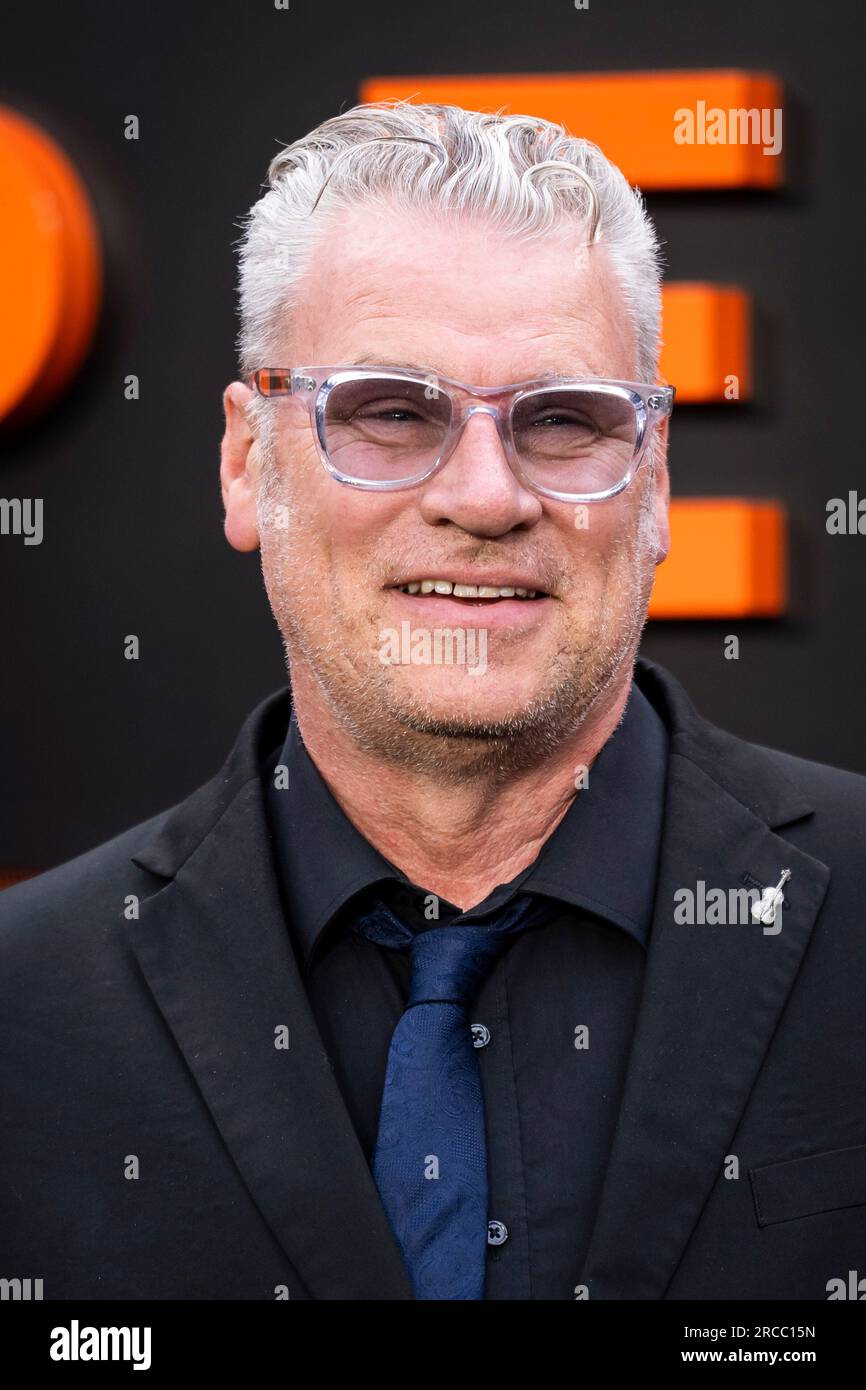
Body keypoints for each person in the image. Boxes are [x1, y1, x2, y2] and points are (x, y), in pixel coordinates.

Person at [1, 101, 864, 1302]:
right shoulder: (22, 1006)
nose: (483, 494)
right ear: (248, 462)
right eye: (391, 412)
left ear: (655, 479)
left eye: (562, 420)